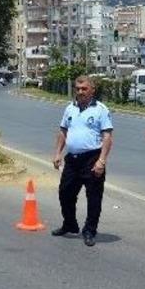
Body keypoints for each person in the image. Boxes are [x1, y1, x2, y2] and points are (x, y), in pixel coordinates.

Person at [51, 75, 114, 247]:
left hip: (92, 158)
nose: (80, 92)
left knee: (93, 197)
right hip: (72, 159)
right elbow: (63, 131)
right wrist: (57, 153)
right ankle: (70, 224)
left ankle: (89, 230)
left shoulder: (101, 109)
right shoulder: (70, 108)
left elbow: (107, 137)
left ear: (92, 90)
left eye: (84, 88)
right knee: (65, 193)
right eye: (77, 89)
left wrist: (101, 161)